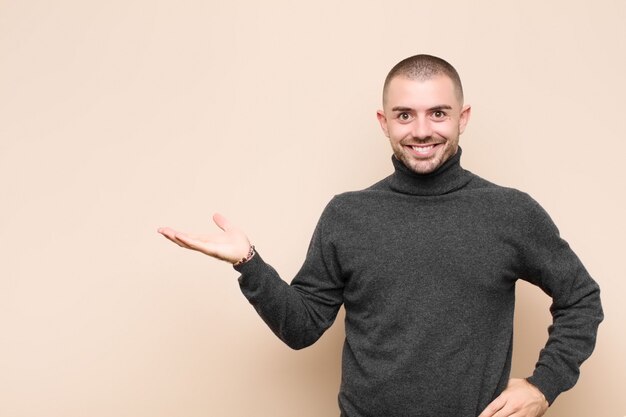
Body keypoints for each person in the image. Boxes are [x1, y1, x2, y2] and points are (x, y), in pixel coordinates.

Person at [158, 54, 603, 417]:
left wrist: (544, 385)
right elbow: (302, 327)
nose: (422, 130)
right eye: (405, 115)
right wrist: (248, 262)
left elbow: (581, 298)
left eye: (438, 113)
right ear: (384, 121)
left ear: (462, 118)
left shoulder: (510, 212)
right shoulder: (348, 214)